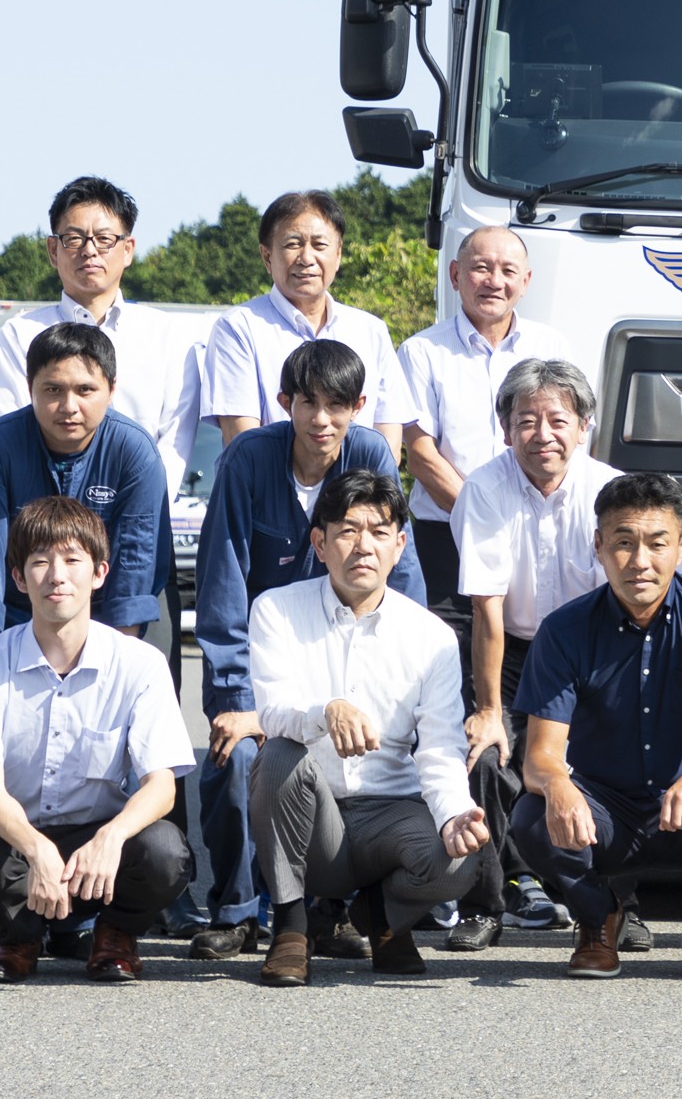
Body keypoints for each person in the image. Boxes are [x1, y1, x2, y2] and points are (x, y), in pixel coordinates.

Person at [188, 338, 415, 958]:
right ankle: (238, 911)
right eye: (308, 403)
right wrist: (240, 703)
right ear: (284, 402)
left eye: (337, 405)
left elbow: (401, 567)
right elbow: (222, 584)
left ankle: (329, 910)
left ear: (358, 407)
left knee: (350, 759)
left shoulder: (370, 453)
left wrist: (408, 670)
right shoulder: (247, 459)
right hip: (261, 655)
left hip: (343, 649)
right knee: (237, 758)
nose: (321, 419)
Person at [508, 472, 682, 982]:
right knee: (531, 814)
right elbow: (539, 756)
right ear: (598, 546)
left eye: (657, 543)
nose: (640, 561)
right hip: (606, 815)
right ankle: (598, 919)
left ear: (680, 547)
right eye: (623, 543)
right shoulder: (564, 629)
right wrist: (559, 785)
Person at [245, 471, 491, 985]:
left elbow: (440, 746)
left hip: (391, 813)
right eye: (348, 531)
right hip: (314, 816)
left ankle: (381, 917)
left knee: (460, 859)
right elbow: (273, 711)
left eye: (379, 532)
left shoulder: (432, 636)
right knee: (278, 755)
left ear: (399, 546)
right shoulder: (276, 610)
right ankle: (290, 927)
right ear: (320, 543)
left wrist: (453, 814)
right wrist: (327, 711)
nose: (364, 546)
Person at [0, 497, 193, 984]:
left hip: (99, 846)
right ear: (19, 579)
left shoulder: (140, 664)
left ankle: (115, 935)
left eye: (72, 560)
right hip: (18, 842)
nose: (56, 576)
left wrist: (111, 837)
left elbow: (162, 786)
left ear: (99, 573)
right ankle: (18, 938)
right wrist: (36, 849)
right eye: (40, 562)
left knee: (166, 851)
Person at [448, 357, 621, 950]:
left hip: (594, 653)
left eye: (557, 420)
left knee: (617, 761)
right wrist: (489, 710)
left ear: (584, 427)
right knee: (487, 758)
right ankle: (483, 904)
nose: (542, 434)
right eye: (526, 421)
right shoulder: (484, 488)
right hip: (511, 652)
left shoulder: (609, 490)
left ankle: (619, 904)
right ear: (505, 430)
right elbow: (487, 609)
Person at [0, 324, 171, 652]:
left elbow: (131, 586)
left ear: (111, 389)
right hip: (10, 623)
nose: (69, 406)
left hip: (103, 624)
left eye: (85, 390)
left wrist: (107, 670)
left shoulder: (135, 454)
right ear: (30, 387)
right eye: (53, 390)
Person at [399, 225, 575, 631]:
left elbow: (573, 442)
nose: (495, 281)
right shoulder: (421, 351)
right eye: (481, 268)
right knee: (452, 651)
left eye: (508, 271)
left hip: (538, 533)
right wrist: (482, 516)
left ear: (525, 282)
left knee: (536, 644)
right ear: (455, 275)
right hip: (447, 539)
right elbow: (421, 457)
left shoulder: (552, 347)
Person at [0, 177, 206, 489]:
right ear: (53, 250)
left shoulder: (168, 336)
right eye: (74, 239)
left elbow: (175, 443)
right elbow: (12, 440)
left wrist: (141, 504)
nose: (89, 250)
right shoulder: (19, 336)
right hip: (44, 513)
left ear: (128, 249)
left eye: (104, 239)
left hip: (140, 512)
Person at [200, 190, 414, 457]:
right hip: (268, 483)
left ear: (338, 254)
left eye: (319, 245)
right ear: (267, 256)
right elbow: (243, 442)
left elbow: (387, 444)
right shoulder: (238, 328)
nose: (306, 258)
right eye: (293, 244)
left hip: (359, 485)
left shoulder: (371, 331)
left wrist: (360, 485)